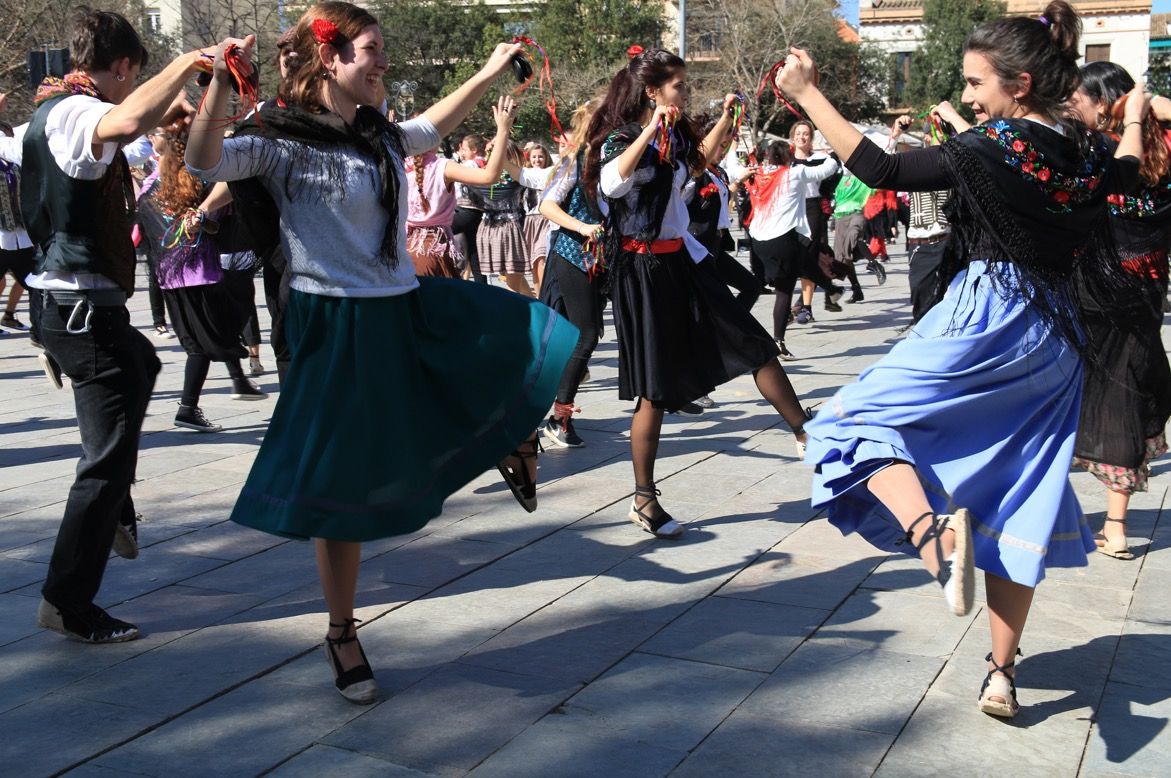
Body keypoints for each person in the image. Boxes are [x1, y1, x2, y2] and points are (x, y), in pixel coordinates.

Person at [186, 1, 576, 704]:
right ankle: (342, 632)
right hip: (333, 322)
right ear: (329, 57)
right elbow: (202, 158)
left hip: (401, 303)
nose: (383, 62)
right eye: (371, 50)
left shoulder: (376, 132)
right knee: (342, 484)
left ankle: (512, 438)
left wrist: (489, 71)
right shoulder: (279, 138)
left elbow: (430, 129)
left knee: (520, 335)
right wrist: (218, 80)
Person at [777, 0, 1147, 718]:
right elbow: (1128, 174)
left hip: (987, 317)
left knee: (848, 422)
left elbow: (881, 165)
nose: (969, 97)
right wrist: (1130, 119)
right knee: (1021, 499)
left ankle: (937, 541)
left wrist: (806, 93)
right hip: (1057, 340)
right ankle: (1000, 675)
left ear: (1018, 84)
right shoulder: (1085, 151)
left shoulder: (992, 145)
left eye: (976, 83)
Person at [23, 8, 209, 643]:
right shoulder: (77, 112)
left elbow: (127, 124)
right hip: (80, 309)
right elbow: (125, 121)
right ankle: (67, 601)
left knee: (142, 362)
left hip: (75, 307)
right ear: (124, 66)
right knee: (104, 463)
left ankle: (118, 507)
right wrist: (186, 62)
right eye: (135, 76)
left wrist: (171, 105)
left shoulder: (58, 107)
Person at [582, 48, 812, 539]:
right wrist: (650, 129)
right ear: (652, 92)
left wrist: (726, 119)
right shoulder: (621, 139)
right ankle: (643, 499)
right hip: (641, 271)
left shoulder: (675, 138)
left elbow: (697, 163)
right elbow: (612, 184)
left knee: (754, 343)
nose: (685, 92)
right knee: (654, 391)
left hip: (682, 262)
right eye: (679, 85)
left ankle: (805, 433)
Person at [1067, 61, 1171, 560]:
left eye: (1078, 98)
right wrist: (1149, 106)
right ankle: (1116, 526)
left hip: (1094, 292)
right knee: (1125, 396)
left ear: (1103, 104)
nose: (1072, 106)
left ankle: (1056, 511)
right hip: (1146, 291)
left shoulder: (1095, 152)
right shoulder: (1164, 151)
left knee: (1082, 394)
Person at [538, 99, 606, 447]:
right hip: (572, 256)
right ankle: (559, 418)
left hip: (601, 260)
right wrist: (582, 227)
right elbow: (547, 205)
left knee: (571, 339)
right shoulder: (574, 161)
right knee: (585, 335)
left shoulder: (612, 159)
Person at [742, 139, 838, 359]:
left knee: (802, 259)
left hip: (759, 242)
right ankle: (778, 341)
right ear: (787, 156)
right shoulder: (794, 173)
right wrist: (833, 154)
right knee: (784, 290)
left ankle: (831, 290)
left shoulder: (755, 174)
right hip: (781, 239)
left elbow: (735, 170)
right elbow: (828, 169)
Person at [405, 96, 516, 278]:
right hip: (432, 252)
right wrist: (503, 129)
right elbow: (489, 176)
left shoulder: (398, 164)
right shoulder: (442, 167)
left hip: (403, 250)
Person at [789, 120, 844, 318]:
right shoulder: (786, 159)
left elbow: (835, 171)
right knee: (792, 258)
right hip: (789, 209)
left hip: (812, 208)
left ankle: (806, 307)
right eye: (798, 133)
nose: (801, 137)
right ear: (792, 136)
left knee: (808, 257)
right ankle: (826, 291)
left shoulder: (821, 159)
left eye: (805, 133)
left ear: (811, 138)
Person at [522, 142, 554, 295]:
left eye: (540, 156)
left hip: (544, 219)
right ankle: (539, 295)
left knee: (541, 260)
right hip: (530, 222)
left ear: (546, 158)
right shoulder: (524, 175)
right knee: (534, 263)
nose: (537, 160)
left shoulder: (551, 174)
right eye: (534, 157)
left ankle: (544, 296)